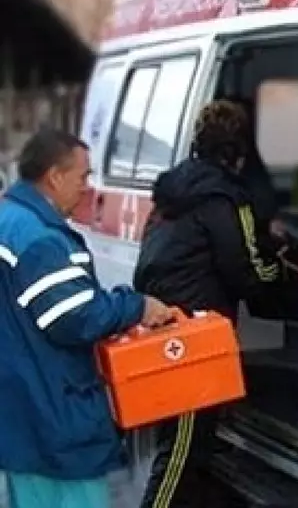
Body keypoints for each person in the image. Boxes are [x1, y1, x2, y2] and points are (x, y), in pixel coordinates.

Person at [0, 127, 175, 508]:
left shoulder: (8, 220)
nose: (87, 188)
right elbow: (75, 317)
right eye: (82, 176)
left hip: (19, 415)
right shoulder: (40, 239)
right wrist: (137, 306)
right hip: (53, 420)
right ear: (54, 176)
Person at [134, 99, 293, 507]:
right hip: (195, 333)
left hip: (165, 321)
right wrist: (283, 275)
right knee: (182, 448)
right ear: (237, 153)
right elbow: (245, 268)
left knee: (190, 441)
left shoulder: (174, 192)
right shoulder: (227, 198)